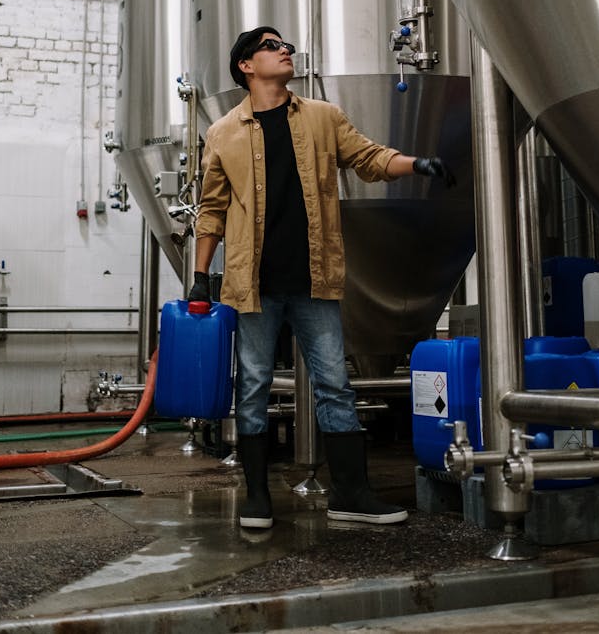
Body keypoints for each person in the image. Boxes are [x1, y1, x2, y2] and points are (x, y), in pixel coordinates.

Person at [189, 26, 456, 529]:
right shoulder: (222, 132)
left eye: (286, 45)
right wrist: (200, 276)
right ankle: (256, 496)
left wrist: (416, 164)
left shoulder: (322, 116)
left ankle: (351, 493)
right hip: (253, 284)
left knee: (335, 384)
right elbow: (212, 210)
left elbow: (369, 158)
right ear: (246, 65)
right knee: (253, 386)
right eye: (272, 46)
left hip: (314, 279)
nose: (285, 50)